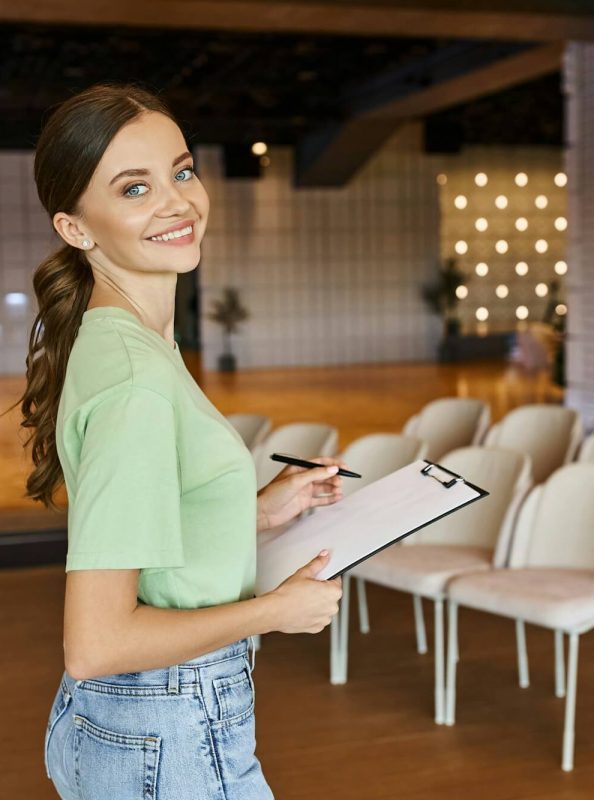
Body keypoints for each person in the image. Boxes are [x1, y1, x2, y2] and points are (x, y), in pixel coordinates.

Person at [13, 83, 345, 800]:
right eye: (135, 188)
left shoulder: (124, 343)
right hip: (171, 726)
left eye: (182, 171)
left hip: (136, 729)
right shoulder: (134, 378)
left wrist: (258, 509)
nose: (177, 202)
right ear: (76, 229)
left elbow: (151, 531)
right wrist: (278, 612)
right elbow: (97, 644)